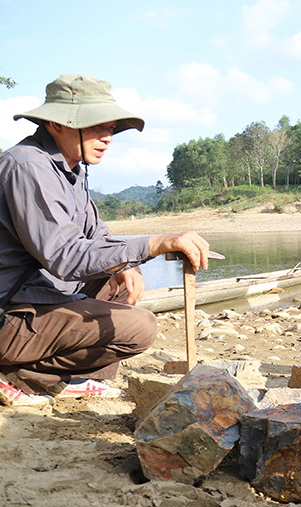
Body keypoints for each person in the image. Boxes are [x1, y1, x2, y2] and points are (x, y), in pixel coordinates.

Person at [0, 74, 211, 407]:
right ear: (57, 125)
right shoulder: (27, 166)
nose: (107, 137)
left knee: (123, 282)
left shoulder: (71, 169)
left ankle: (76, 379)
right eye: (97, 127)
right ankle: (19, 375)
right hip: (9, 313)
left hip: (37, 298)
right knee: (140, 327)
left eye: (111, 128)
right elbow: (66, 258)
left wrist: (127, 264)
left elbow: (95, 234)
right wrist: (157, 244)